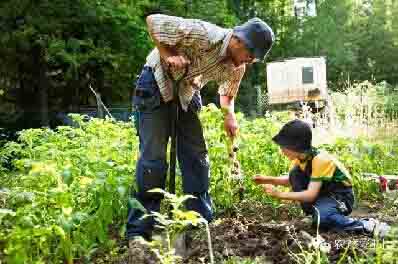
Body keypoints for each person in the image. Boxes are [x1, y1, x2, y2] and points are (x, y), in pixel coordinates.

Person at [127, 13, 274, 262]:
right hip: (155, 82)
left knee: (197, 158)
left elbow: (227, 93)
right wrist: (168, 54)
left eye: (253, 59)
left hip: (187, 89)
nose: (249, 61)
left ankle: (200, 224)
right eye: (250, 55)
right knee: (153, 161)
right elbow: (153, 22)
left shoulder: (237, 65)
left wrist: (229, 116)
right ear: (238, 40)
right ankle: (140, 233)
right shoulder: (204, 33)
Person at [253, 119, 390, 237]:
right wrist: (266, 179)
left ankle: (367, 225)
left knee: (322, 219)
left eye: (283, 146)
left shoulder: (320, 160)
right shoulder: (301, 159)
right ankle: (318, 214)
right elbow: (292, 180)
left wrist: (280, 194)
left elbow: (311, 195)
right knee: (295, 173)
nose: (281, 150)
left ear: (295, 146)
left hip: (341, 197)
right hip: (324, 194)